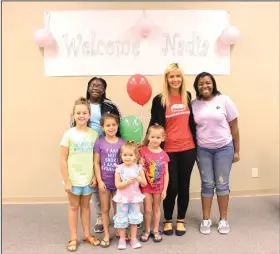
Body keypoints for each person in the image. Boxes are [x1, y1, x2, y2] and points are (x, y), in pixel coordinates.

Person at [147, 63, 197, 236]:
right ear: (166, 79)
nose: (175, 79)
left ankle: (181, 219)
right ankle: (168, 219)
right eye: (171, 76)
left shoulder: (188, 97)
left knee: (184, 185)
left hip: (188, 148)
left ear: (182, 78)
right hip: (168, 150)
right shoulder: (159, 100)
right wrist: (145, 144)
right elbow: (154, 123)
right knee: (171, 186)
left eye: (178, 76)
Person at [70, 77, 122, 233]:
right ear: (88, 87)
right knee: (95, 183)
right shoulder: (82, 105)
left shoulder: (111, 106)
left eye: (100, 86)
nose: (96, 87)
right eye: (93, 85)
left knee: (113, 180)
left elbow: (121, 124)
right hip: (88, 149)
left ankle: (121, 214)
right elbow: (72, 125)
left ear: (104, 89)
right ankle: (101, 216)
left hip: (108, 148)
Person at [192, 72, 240, 235]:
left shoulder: (224, 100)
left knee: (222, 184)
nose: (205, 86)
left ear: (213, 84)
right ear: (196, 87)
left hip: (224, 148)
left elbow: (234, 127)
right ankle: (206, 219)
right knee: (207, 184)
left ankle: (223, 219)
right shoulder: (194, 104)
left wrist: (237, 150)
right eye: (201, 84)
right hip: (203, 149)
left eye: (208, 83)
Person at [60, 97, 100, 252]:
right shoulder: (68, 134)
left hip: (88, 179)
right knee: (73, 207)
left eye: (84, 112)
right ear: (74, 115)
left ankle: (87, 234)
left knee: (86, 207)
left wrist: (95, 176)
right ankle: (74, 237)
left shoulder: (94, 134)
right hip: (73, 179)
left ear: (89, 115)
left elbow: (96, 158)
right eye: (78, 113)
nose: (81, 115)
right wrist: (67, 181)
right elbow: (63, 159)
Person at [94, 113, 125, 248]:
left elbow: (127, 161)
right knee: (105, 209)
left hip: (118, 183)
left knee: (118, 209)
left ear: (117, 126)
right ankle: (106, 234)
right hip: (105, 183)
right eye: (108, 125)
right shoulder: (99, 142)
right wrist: (99, 181)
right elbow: (96, 163)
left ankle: (119, 230)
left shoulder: (122, 142)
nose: (111, 127)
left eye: (113, 125)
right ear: (102, 127)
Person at [113, 141, 147, 250]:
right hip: (122, 198)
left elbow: (144, 183)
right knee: (122, 219)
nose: (127, 158)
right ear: (121, 155)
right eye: (125, 155)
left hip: (134, 198)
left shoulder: (138, 168)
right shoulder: (119, 168)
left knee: (134, 219)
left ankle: (133, 238)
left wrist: (139, 178)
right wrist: (126, 182)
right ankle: (122, 239)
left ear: (135, 156)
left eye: (130, 155)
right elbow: (117, 185)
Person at [139, 124, 169, 243]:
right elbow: (139, 167)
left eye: (158, 137)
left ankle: (155, 230)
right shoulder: (143, 151)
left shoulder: (164, 155)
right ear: (148, 137)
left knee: (156, 208)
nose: (155, 140)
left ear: (163, 138)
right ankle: (146, 230)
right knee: (147, 209)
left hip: (158, 187)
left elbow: (166, 174)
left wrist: (165, 189)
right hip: (146, 186)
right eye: (153, 137)